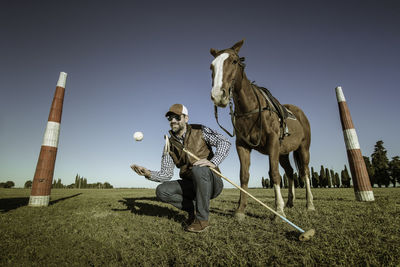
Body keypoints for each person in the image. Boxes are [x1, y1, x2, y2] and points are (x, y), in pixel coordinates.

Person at [131, 104, 231, 233]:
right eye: (170, 118)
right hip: (191, 185)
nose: (173, 121)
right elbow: (166, 174)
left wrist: (213, 162)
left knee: (198, 168)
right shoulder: (169, 144)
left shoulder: (200, 130)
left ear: (186, 118)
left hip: (212, 183)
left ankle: (202, 220)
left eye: (177, 117)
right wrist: (148, 173)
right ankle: (195, 209)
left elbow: (225, 142)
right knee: (162, 190)